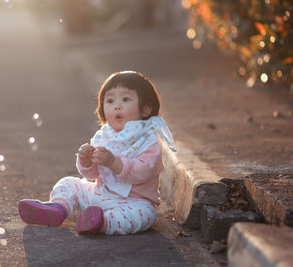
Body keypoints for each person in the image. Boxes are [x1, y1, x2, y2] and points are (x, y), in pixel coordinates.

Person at [18, 71, 176, 235]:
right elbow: (93, 175)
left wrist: (114, 163)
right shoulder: (104, 136)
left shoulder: (149, 141)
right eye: (110, 100)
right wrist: (86, 161)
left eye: (126, 99)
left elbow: (144, 172)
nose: (117, 105)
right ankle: (59, 208)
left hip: (132, 202)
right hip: (100, 195)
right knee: (70, 183)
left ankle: (103, 222)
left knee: (145, 215)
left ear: (146, 109)